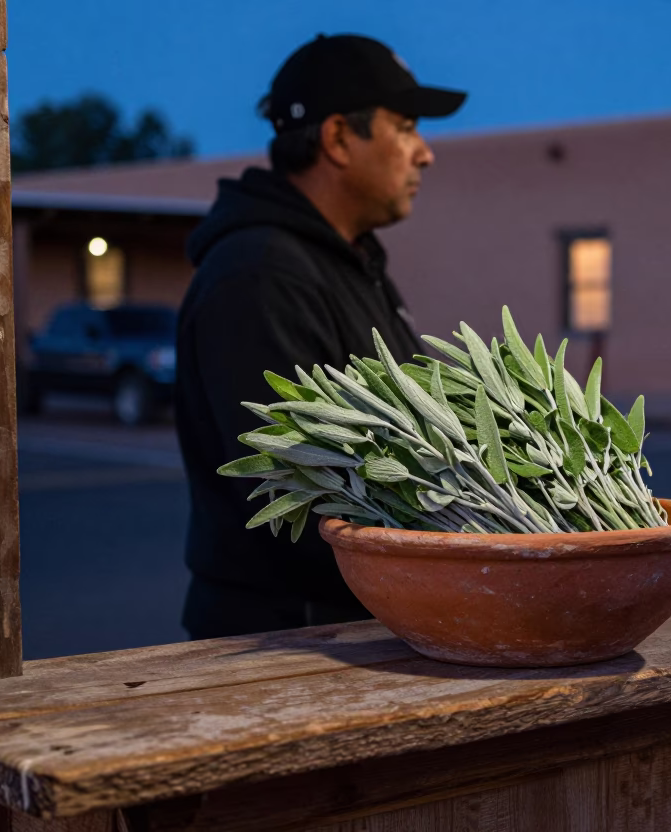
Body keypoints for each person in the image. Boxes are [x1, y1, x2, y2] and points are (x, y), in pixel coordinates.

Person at [175, 34, 467, 639]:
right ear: (337, 138)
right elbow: (296, 490)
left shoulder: (350, 262)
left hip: (357, 625)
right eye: (406, 126)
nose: (425, 154)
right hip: (290, 645)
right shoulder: (260, 275)